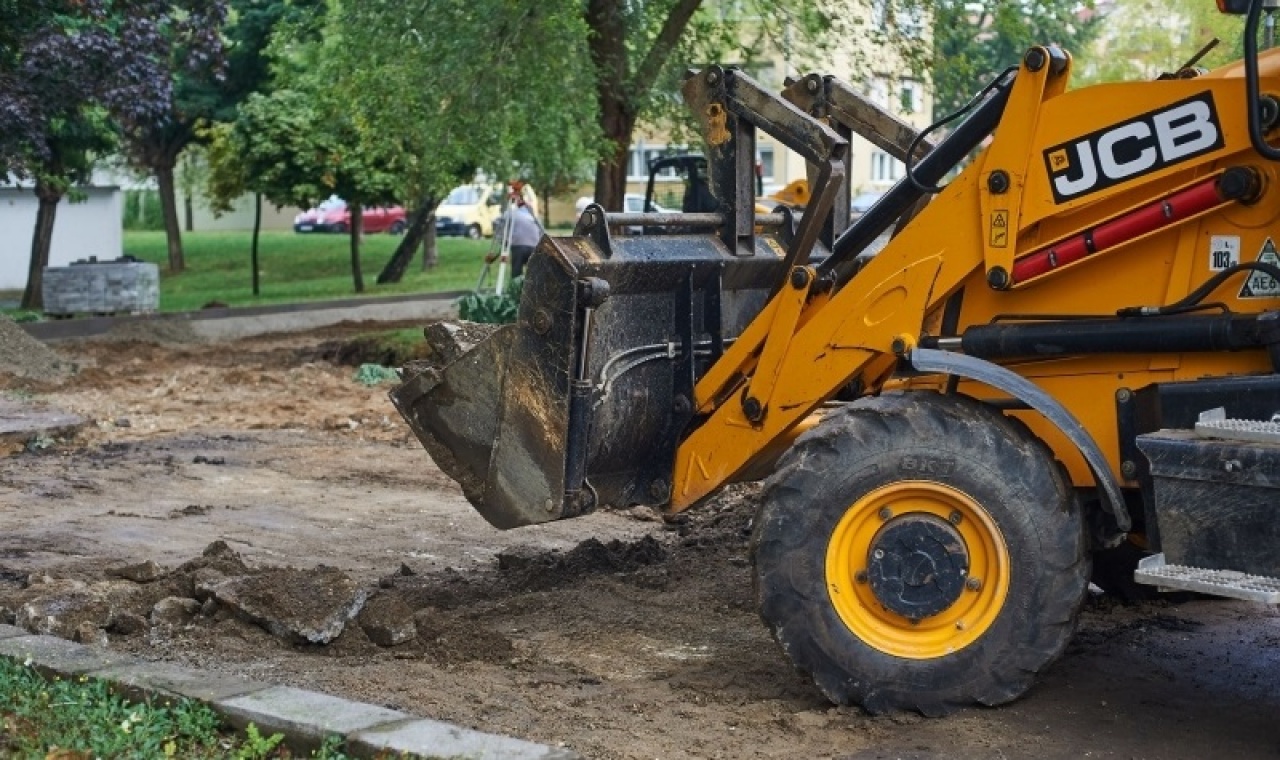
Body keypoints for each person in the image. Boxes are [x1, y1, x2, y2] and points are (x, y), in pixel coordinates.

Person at [496, 190, 541, 278]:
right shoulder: (531, 215)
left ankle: (516, 283)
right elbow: (540, 230)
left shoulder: (510, 213)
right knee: (533, 272)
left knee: (516, 270)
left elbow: (500, 224)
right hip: (534, 245)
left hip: (518, 245)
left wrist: (502, 241)